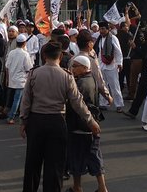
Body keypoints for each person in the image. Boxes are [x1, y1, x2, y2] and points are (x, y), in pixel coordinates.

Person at [20, 41, 101, 192]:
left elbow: (26, 100)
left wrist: (24, 121)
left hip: (36, 121)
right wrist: (91, 121)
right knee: (55, 165)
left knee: (33, 164)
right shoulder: (66, 76)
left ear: (44, 56)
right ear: (61, 56)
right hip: (57, 122)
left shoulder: (34, 73)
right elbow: (78, 102)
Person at [66, 55, 108, 192]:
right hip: (91, 124)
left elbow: (77, 105)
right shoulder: (91, 79)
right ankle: (102, 187)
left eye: (75, 66)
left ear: (84, 67)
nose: (73, 69)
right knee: (94, 156)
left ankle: (77, 187)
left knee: (76, 157)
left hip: (80, 125)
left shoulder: (81, 84)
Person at [94, 21, 124, 112]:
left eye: (103, 29)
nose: (101, 31)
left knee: (114, 85)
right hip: (101, 65)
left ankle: (119, 104)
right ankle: (103, 103)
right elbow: (98, 52)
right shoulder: (99, 39)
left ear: (108, 29)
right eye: (100, 29)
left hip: (112, 65)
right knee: (102, 85)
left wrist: (119, 63)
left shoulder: (113, 38)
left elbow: (118, 51)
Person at [4, 33, 33, 124]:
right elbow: (29, 68)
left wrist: (7, 78)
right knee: (17, 99)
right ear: (24, 43)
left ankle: (11, 113)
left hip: (12, 79)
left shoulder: (12, 53)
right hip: (21, 80)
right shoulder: (25, 54)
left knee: (13, 98)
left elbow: (7, 66)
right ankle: (11, 116)